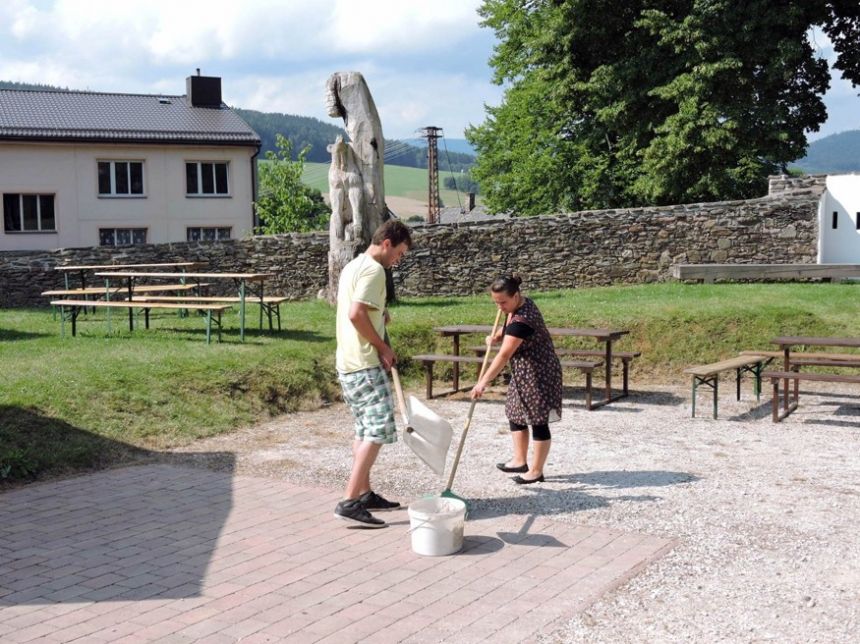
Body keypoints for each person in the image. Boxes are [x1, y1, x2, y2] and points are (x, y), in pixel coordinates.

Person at [333, 219, 413, 527]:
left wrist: (382, 315)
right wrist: (383, 347)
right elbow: (356, 314)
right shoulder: (374, 270)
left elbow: (359, 308)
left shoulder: (354, 266)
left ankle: (364, 493)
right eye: (400, 253)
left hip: (348, 363)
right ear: (387, 244)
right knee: (378, 429)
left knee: (364, 428)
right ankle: (350, 500)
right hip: (365, 362)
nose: (399, 260)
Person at [470, 275, 562, 484]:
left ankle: (536, 471)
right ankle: (519, 460)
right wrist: (500, 333)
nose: (500, 307)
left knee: (538, 420)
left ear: (516, 295)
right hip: (523, 372)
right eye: (496, 302)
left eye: (503, 302)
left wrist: (483, 382)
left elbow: (504, 355)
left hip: (540, 373)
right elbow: (510, 327)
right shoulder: (518, 306)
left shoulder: (524, 318)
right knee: (515, 412)